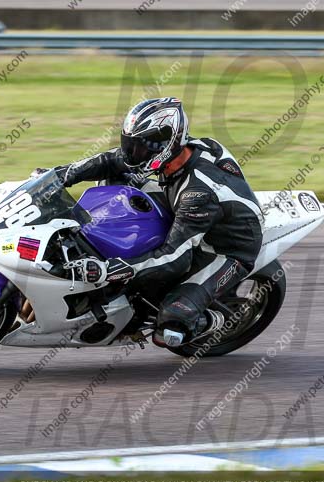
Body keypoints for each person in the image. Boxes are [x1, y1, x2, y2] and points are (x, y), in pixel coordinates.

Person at [50, 97, 263, 348]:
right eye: (130, 144)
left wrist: (110, 269)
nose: (132, 153)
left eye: (139, 147)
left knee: (171, 329)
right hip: (185, 209)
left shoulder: (198, 195)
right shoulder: (179, 156)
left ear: (166, 145)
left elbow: (174, 258)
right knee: (115, 183)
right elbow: (113, 161)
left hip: (225, 248)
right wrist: (60, 175)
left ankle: (213, 321)